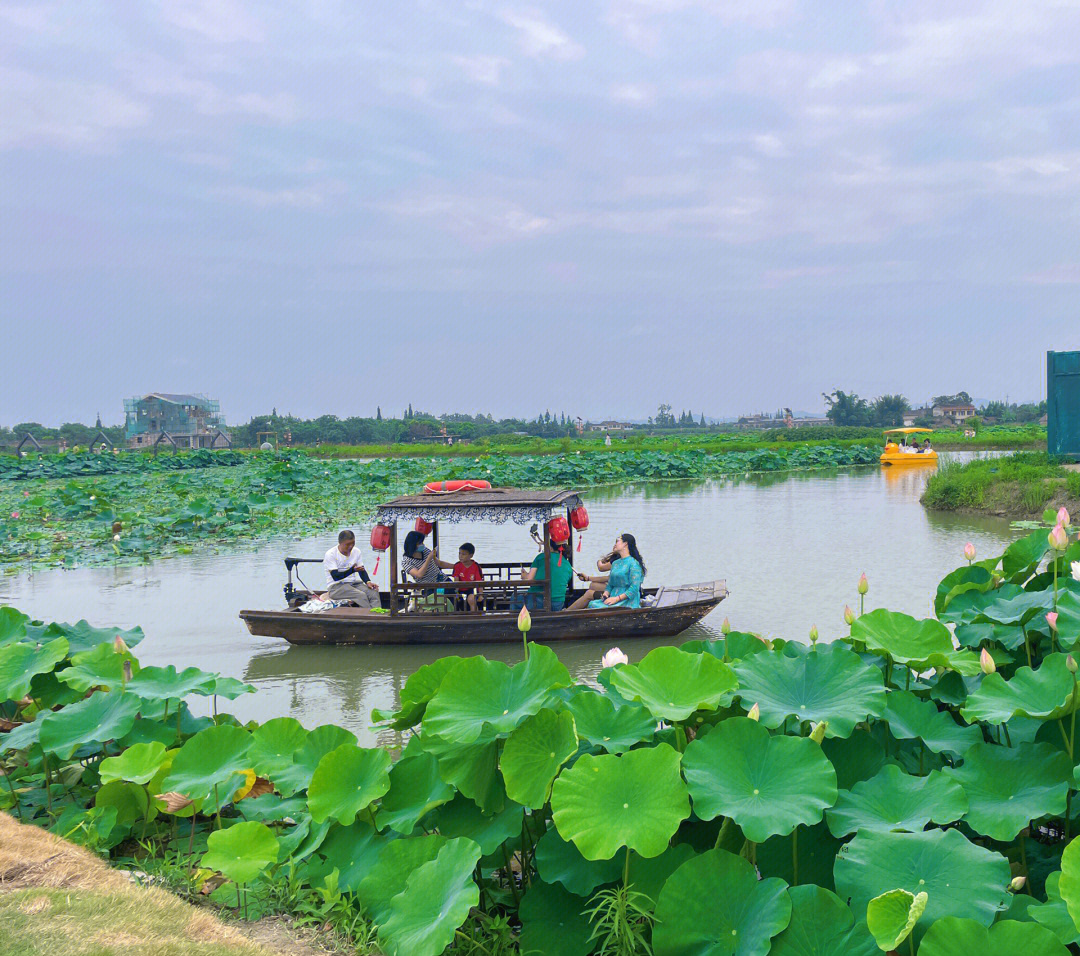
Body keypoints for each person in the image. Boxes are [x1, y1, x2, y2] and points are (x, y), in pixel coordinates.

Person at [566, 534, 645, 610]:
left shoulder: (634, 564)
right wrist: (606, 593)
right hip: (613, 596)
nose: (615, 544)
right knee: (592, 604)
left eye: (617, 541)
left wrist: (617, 599)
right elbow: (610, 584)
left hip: (627, 600)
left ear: (625, 544)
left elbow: (634, 588)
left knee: (599, 607)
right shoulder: (615, 563)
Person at [323, 530, 380, 608]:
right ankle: (369, 616)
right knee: (361, 595)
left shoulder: (356, 551)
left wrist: (368, 581)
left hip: (353, 583)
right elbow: (335, 577)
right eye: (348, 544)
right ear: (340, 543)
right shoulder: (331, 554)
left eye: (353, 543)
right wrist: (352, 570)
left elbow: (361, 570)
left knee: (373, 592)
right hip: (336, 587)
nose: (351, 546)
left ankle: (377, 615)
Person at [516, 538, 574, 611]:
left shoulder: (542, 557)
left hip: (538, 600)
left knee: (514, 597)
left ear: (550, 547)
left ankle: (515, 621)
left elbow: (529, 579)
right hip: (558, 603)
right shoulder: (568, 564)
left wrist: (524, 576)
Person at [452, 542, 484, 612]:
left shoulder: (476, 566)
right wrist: (455, 591)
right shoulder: (457, 565)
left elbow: (479, 582)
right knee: (452, 599)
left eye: (463, 554)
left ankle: (474, 617)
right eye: (459, 553)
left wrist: (481, 595)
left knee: (471, 598)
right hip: (460, 591)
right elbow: (456, 580)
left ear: (471, 555)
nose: (460, 556)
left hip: (472, 590)